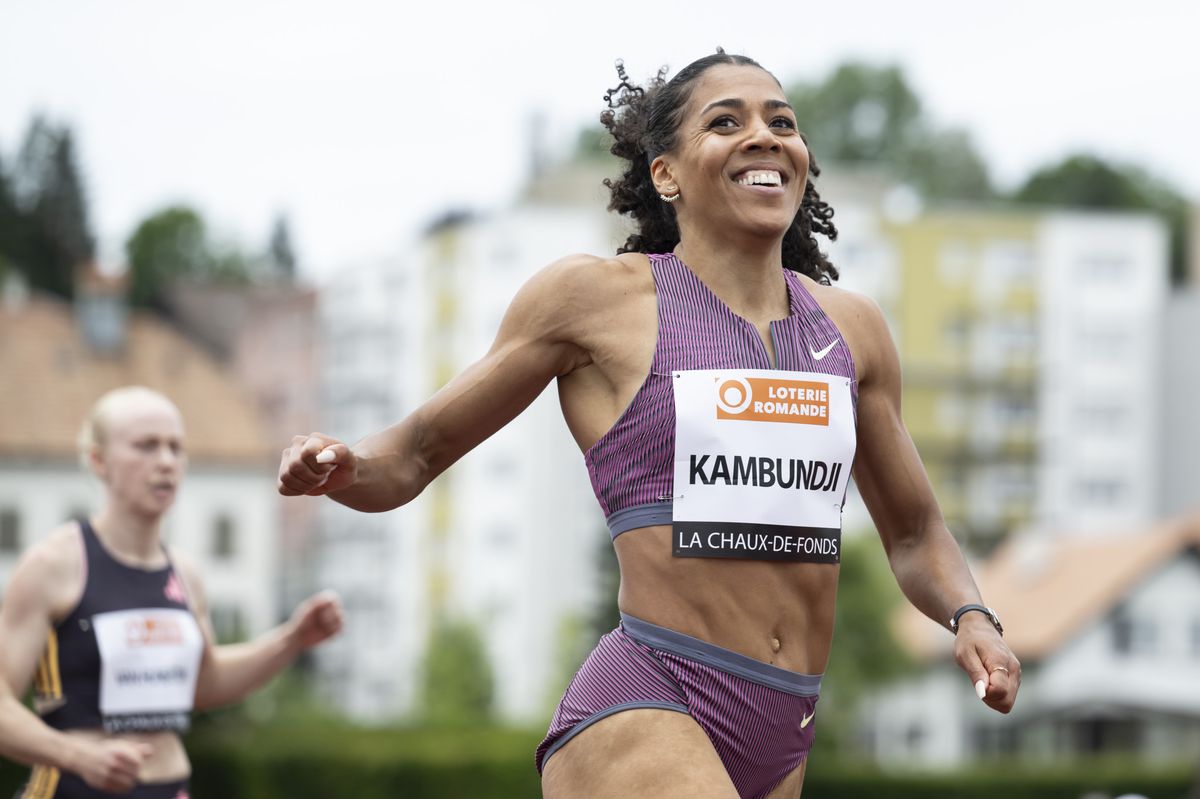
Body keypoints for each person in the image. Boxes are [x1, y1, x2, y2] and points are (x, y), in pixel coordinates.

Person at [277, 50, 1020, 799]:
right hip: (648, 700)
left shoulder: (852, 330)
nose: (764, 136)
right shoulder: (595, 302)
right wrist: (346, 465)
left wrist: (971, 614)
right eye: (726, 122)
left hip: (785, 730)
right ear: (666, 174)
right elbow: (415, 449)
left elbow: (916, 532)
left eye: (782, 123)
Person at [0, 386, 344, 798]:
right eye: (146, 446)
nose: (165, 462)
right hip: (73, 787)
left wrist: (292, 639)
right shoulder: (53, 566)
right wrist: (77, 755)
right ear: (99, 460)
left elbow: (206, 683)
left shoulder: (185, 573)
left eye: (175, 448)